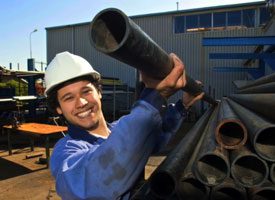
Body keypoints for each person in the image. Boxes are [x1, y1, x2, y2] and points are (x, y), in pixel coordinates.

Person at [45, 51, 204, 199]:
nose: (81, 102)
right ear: (58, 108)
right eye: (68, 98)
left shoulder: (118, 129)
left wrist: (183, 105)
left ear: (99, 92)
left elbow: (155, 136)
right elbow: (97, 180)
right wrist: (154, 96)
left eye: (86, 91)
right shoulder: (65, 152)